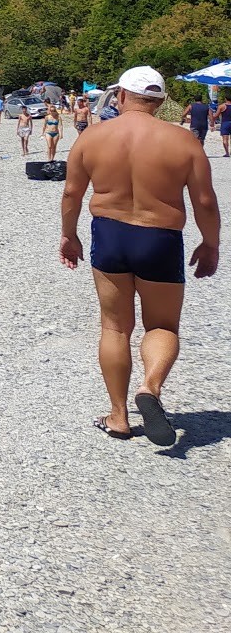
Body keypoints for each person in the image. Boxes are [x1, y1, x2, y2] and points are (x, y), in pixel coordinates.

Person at [59, 66, 219, 444]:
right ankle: (150, 387)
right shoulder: (183, 142)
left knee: (115, 327)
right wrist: (210, 243)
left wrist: (69, 235)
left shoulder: (93, 137)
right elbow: (205, 201)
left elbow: (71, 193)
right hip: (160, 238)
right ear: (160, 101)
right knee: (162, 326)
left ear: (121, 96)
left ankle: (118, 417)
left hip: (110, 235)